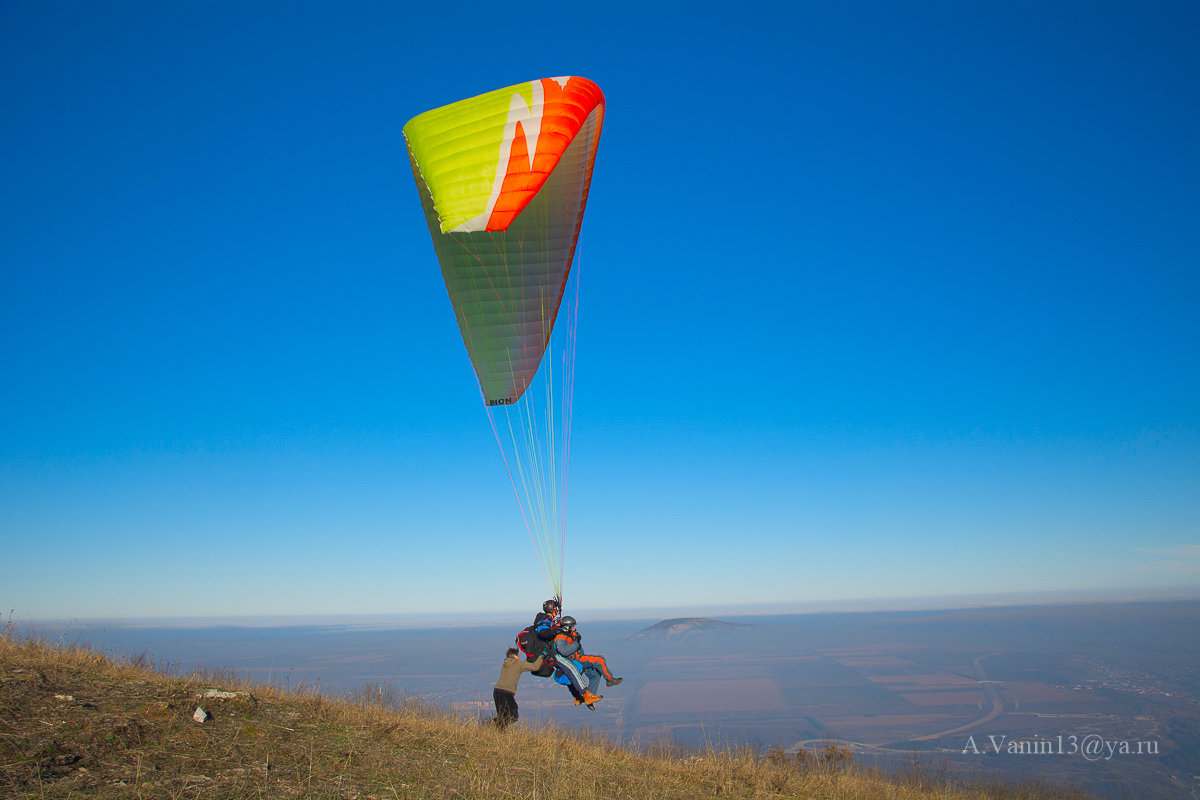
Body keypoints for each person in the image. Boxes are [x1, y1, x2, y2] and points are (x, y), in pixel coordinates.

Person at [553, 616, 620, 706]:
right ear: (566, 627)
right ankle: (610, 679)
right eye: (572, 626)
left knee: (595, 675)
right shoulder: (560, 637)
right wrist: (576, 643)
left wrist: (575, 638)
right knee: (599, 660)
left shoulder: (567, 634)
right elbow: (564, 651)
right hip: (575, 660)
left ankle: (588, 698)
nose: (574, 628)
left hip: (577, 658)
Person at [492, 647, 544, 729]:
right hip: (506, 693)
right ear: (516, 655)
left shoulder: (505, 664)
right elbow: (535, 667)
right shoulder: (518, 664)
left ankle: (499, 732)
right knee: (513, 715)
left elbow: (521, 665)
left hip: (496, 692)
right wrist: (542, 656)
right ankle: (493, 723)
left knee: (503, 716)